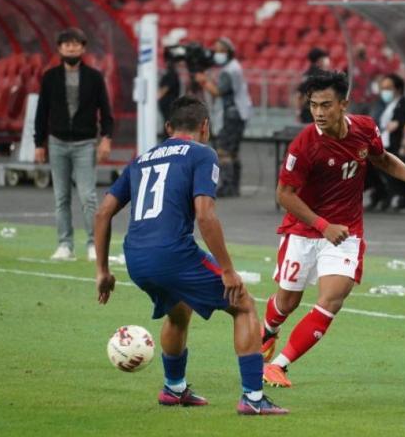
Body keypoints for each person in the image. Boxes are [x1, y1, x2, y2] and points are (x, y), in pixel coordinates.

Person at [94, 96, 288, 415]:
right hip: (172, 252)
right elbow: (206, 216)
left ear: (168, 127)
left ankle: (174, 388)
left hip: (136, 256)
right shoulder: (202, 154)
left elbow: (103, 214)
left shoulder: (142, 159)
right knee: (244, 305)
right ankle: (253, 398)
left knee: (178, 310)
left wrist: (102, 271)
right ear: (205, 128)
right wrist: (227, 270)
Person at [259, 71, 405, 388]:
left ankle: (279, 365)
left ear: (344, 104)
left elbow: (382, 159)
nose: (319, 113)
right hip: (305, 230)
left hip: (346, 233)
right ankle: (267, 330)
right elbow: (284, 194)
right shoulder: (304, 145)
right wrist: (322, 225)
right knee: (287, 304)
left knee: (333, 298)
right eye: (314, 106)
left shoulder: (364, 129)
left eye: (326, 105)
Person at [34, 27, 113, 261]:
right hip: (57, 143)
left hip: (85, 143)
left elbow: (105, 111)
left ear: (83, 48)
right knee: (61, 197)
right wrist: (39, 143)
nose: (71, 48)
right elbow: (41, 113)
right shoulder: (49, 77)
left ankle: (94, 244)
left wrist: (106, 139)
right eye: (67, 44)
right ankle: (65, 245)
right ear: (59, 48)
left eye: (76, 44)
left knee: (88, 196)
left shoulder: (94, 77)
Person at [195, 37, 253, 197]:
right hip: (238, 112)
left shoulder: (229, 70)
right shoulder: (233, 67)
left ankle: (228, 185)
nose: (217, 54)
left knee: (224, 150)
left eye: (220, 50)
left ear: (228, 51)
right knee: (233, 151)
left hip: (231, 114)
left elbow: (218, 91)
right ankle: (234, 185)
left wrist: (203, 82)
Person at [367, 73, 405, 211]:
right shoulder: (382, 106)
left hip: (397, 146)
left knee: (384, 163)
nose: (385, 91)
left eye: (388, 88)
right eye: (383, 88)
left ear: (398, 89)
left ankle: (398, 195)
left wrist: (400, 123)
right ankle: (381, 193)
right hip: (381, 144)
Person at [297, 47, 331, 124]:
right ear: (319, 60)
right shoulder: (324, 75)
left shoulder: (306, 74)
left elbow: (299, 95)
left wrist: (298, 111)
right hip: (320, 112)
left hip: (306, 111)